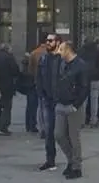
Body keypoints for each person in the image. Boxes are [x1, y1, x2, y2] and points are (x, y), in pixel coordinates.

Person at [53, 41, 89, 179]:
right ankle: (71, 160)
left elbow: (84, 87)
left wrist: (76, 104)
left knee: (74, 137)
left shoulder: (80, 65)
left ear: (68, 50)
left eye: (61, 49)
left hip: (73, 106)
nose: (58, 52)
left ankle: (76, 167)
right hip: (61, 104)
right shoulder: (62, 64)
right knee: (59, 135)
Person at [37, 34, 62, 171]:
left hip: (62, 101)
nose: (47, 42)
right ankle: (50, 160)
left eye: (50, 40)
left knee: (65, 133)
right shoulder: (44, 59)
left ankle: (73, 161)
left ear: (58, 42)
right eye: (46, 40)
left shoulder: (63, 59)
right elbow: (39, 77)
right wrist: (41, 94)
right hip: (47, 100)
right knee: (49, 132)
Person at [0, 43, 19, 136]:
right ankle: (3, 127)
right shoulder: (9, 57)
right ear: (7, 49)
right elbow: (15, 70)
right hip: (7, 84)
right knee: (7, 106)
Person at [78, 38, 99, 128]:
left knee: (83, 101)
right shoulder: (97, 52)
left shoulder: (80, 51)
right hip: (95, 78)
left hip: (84, 78)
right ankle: (94, 120)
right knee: (94, 100)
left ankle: (81, 121)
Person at [26, 36, 48, 134]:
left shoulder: (34, 53)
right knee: (45, 105)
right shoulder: (51, 53)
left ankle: (32, 125)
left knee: (33, 105)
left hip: (35, 81)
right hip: (47, 83)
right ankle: (46, 126)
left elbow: (30, 69)